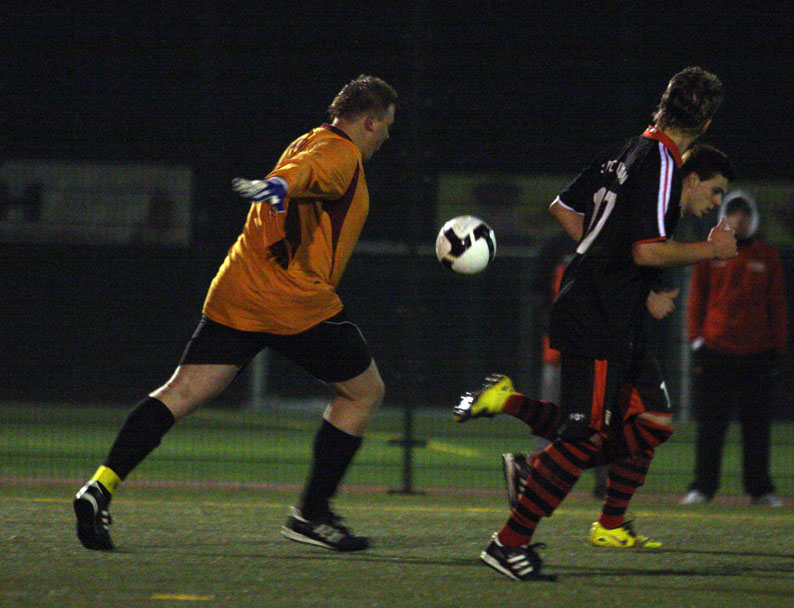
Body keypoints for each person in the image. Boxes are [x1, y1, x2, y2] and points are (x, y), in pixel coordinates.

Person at [73, 75, 398, 553]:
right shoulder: (341, 153)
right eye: (386, 125)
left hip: (239, 289)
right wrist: (280, 184)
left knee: (180, 392)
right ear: (368, 122)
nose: (387, 135)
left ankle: (99, 487)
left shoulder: (309, 139)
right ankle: (311, 514)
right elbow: (311, 172)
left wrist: (278, 184)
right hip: (293, 303)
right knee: (364, 393)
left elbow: (303, 170)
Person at [455, 66, 736, 581]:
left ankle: (534, 459)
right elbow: (646, 250)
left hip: (606, 307)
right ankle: (509, 541)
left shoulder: (625, 150)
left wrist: (608, 261)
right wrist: (710, 250)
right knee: (584, 436)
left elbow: (564, 209)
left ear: (664, 105)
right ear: (706, 124)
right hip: (600, 311)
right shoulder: (663, 163)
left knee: (652, 422)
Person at [681, 191, 787, 506]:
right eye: (734, 213)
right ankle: (703, 488)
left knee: (757, 428)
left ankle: (760, 490)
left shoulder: (767, 255)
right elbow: (696, 299)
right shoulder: (710, 252)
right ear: (724, 216)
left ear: (753, 217)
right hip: (716, 351)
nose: (739, 219)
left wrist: (777, 348)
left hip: (757, 354)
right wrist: (697, 340)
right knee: (711, 426)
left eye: (744, 213)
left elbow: (777, 305)